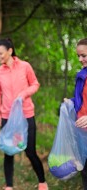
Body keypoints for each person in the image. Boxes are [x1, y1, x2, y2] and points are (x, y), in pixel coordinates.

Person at [0, 38, 48, 190]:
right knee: (8, 151)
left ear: (10, 51)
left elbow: (35, 84)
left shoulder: (25, 66)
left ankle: (42, 182)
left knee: (30, 151)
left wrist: (23, 94)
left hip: (26, 115)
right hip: (7, 117)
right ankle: (9, 186)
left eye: (0, 53)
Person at [66, 38, 87, 190]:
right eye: (78, 56)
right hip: (82, 131)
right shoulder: (81, 75)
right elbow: (81, 100)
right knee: (84, 170)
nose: (80, 59)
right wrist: (71, 102)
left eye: (84, 55)